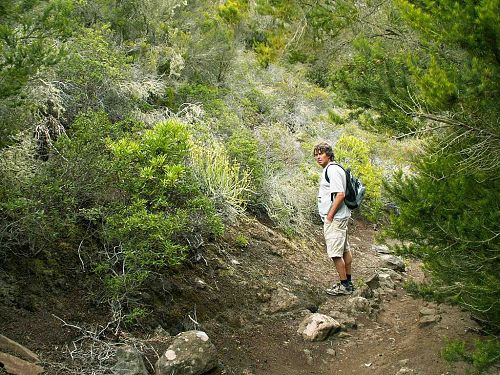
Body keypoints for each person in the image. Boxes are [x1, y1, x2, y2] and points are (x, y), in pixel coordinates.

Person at [313, 142, 354, 296]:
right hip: (339, 217)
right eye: (316, 154)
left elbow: (340, 194)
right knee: (344, 250)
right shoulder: (334, 169)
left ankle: (344, 286)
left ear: (328, 154)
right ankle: (348, 283)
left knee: (336, 254)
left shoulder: (332, 170)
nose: (318, 157)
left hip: (335, 219)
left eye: (321, 153)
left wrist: (329, 216)